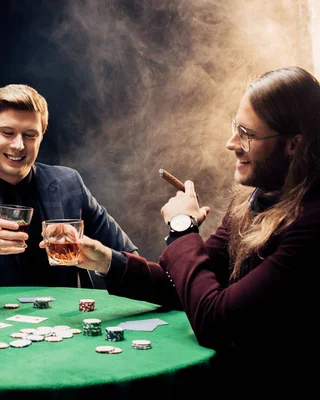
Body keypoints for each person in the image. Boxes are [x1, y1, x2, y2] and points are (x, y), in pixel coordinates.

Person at [65, 66, 319, 397]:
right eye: (235, 127)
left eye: (248, 134)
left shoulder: (312, 225)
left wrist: (182, 228)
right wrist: (108, 262)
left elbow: (215, 322)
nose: (231, 144)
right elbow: (188, 287)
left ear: (293, 145)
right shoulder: (255, 199)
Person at [0, 84, 138, 297]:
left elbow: (130, 258)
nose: (19, 145)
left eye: (30, 135)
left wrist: (99, 260)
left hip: (68, 324)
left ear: (42, 135)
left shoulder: (70, 183)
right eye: (8, 132)